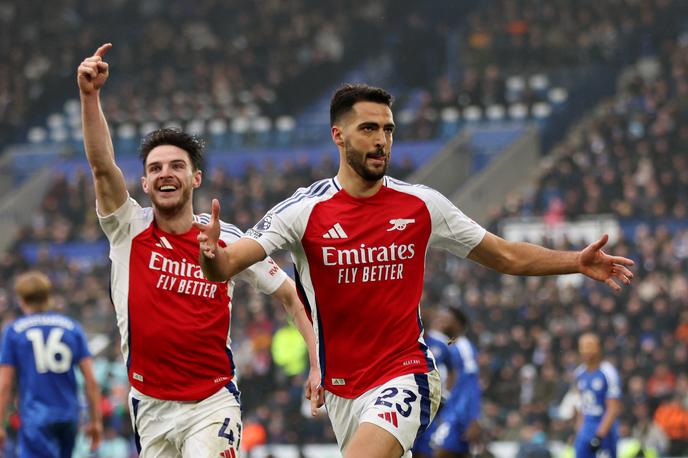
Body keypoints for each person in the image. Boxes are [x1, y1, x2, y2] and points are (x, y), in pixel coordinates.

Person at [196, 83, 635, 458]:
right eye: (368, 128)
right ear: (338, 135)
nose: (381, 139)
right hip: (342, 390)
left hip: (407, 374)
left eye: (388, 129)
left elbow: (504, 255)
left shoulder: (421, 205)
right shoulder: (304, 211)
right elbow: (228, 265)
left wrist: (574, 261)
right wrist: (212, 256)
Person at [77, 43, 322, 457]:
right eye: (155, 168)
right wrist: (90, 96)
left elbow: (288, 294)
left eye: (176, 166)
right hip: (148, 404)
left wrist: (317, 362)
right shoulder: (127, 229)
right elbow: (103, 167)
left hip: (211, 402)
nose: (165, 174)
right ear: (144, 184)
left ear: (195, 178)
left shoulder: (226, 239)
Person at [0, 271, 102, 458]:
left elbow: (5, 384)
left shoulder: (14, 332)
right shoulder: (72, 327)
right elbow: (91, 380)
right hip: (69, 416)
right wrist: (96, 421)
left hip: (36, 416)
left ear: (21, 300)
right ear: (48, 297)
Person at [431, 307, 481, 458]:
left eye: (445, 318)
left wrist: (473, 418)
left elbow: (471, 384)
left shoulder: (463, 346)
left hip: (456, 416)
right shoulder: (447, 344)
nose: (439, 320)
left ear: (458, 324)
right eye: (438, 317)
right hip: (445, 413)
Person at [412, 308, 455, 458]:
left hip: (431, 407)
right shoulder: (406, 344)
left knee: (425, 450)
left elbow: (453, 368)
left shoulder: (441, 344)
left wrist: (447, 393)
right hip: (409, 403)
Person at [573, 333, 622, 458]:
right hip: (586, 430)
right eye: (583, 347)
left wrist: (599, 435)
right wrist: (580, 432)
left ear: (598, 348)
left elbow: (613, 407)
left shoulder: (608, 372)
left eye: (589, 346)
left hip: (604, 430)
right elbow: (580, 406)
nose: (586, 350)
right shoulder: (579, 373)